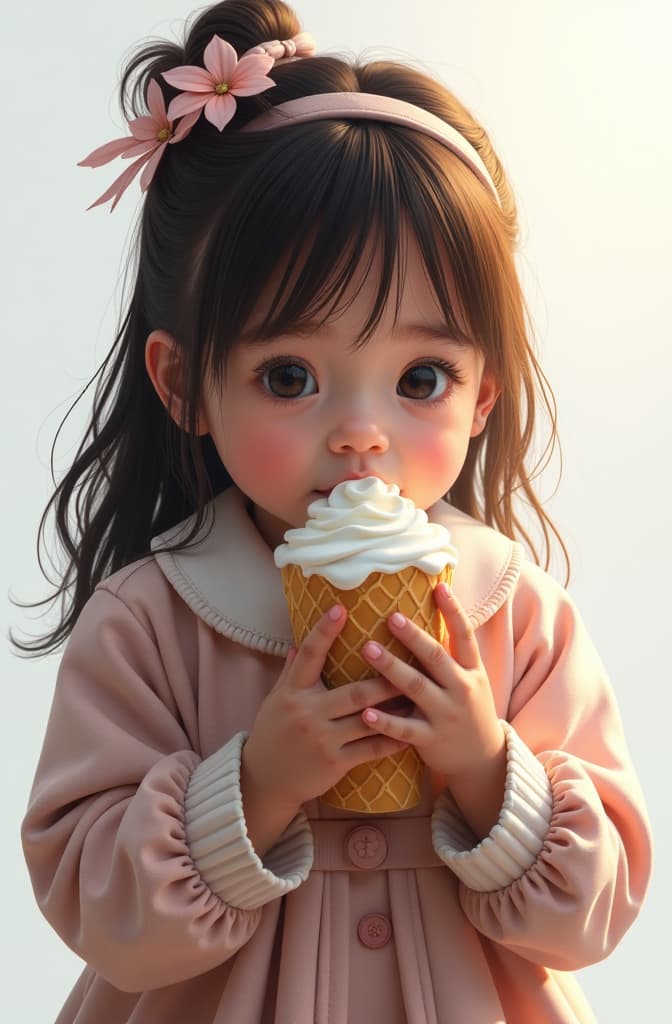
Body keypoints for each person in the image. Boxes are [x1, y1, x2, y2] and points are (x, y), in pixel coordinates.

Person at [17, 1, 652, 1021]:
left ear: (482, 392)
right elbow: (97, 911)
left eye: (421, 376)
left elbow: (595, 911)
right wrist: (255, 788)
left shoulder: (513, 613)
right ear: (182, 383)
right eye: (290, 375)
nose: (362, 433)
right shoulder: (152, 622)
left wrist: (489, 771)